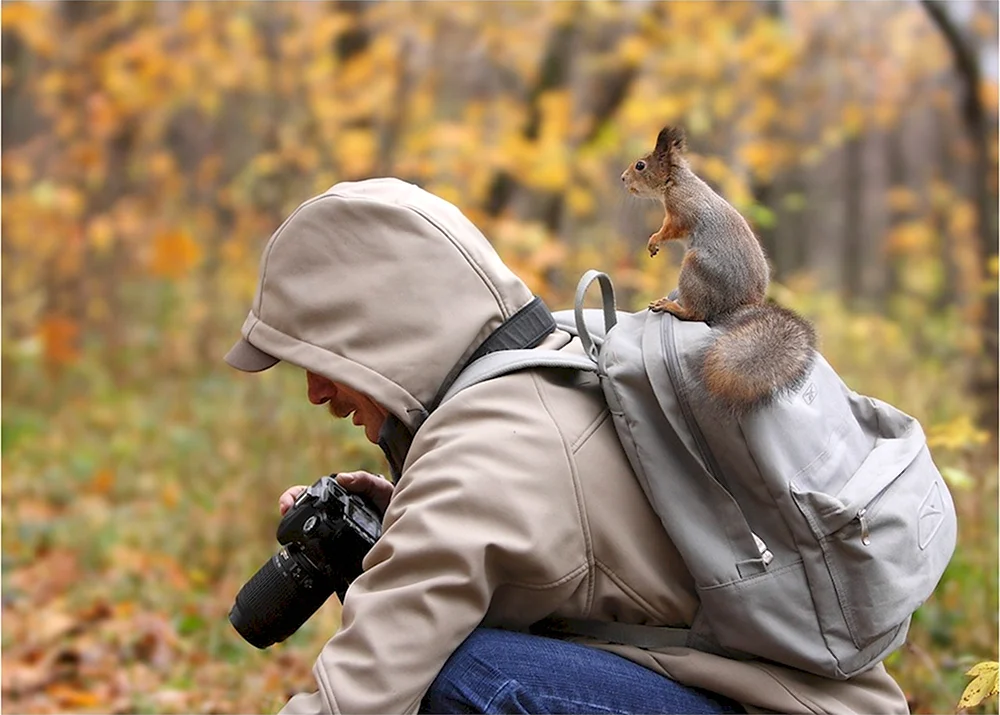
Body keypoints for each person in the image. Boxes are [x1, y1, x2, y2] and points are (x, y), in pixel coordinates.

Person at [224, 178, 909, 714]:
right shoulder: (563, 346)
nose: (315, 391)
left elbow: (359, 695)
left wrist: (425, 519)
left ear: (372, 331)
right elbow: (569, 538)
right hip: (820, 698)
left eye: (318, 357)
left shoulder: (481, 455)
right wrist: (406, 513)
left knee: (460, 680)